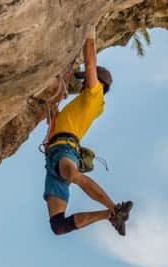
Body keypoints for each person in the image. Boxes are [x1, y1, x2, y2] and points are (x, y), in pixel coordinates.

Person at [41, 25, 132, 237]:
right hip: (53, 156)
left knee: (73, 175)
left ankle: (115, 208)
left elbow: (91, 63)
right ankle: (111, 215)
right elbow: (55, 119)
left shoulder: (95, 96)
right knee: (58, 226)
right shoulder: (83, 104)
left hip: (65, 149)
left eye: (85, 80)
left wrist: (89, 32)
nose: (82, 83)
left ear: (99, 83)